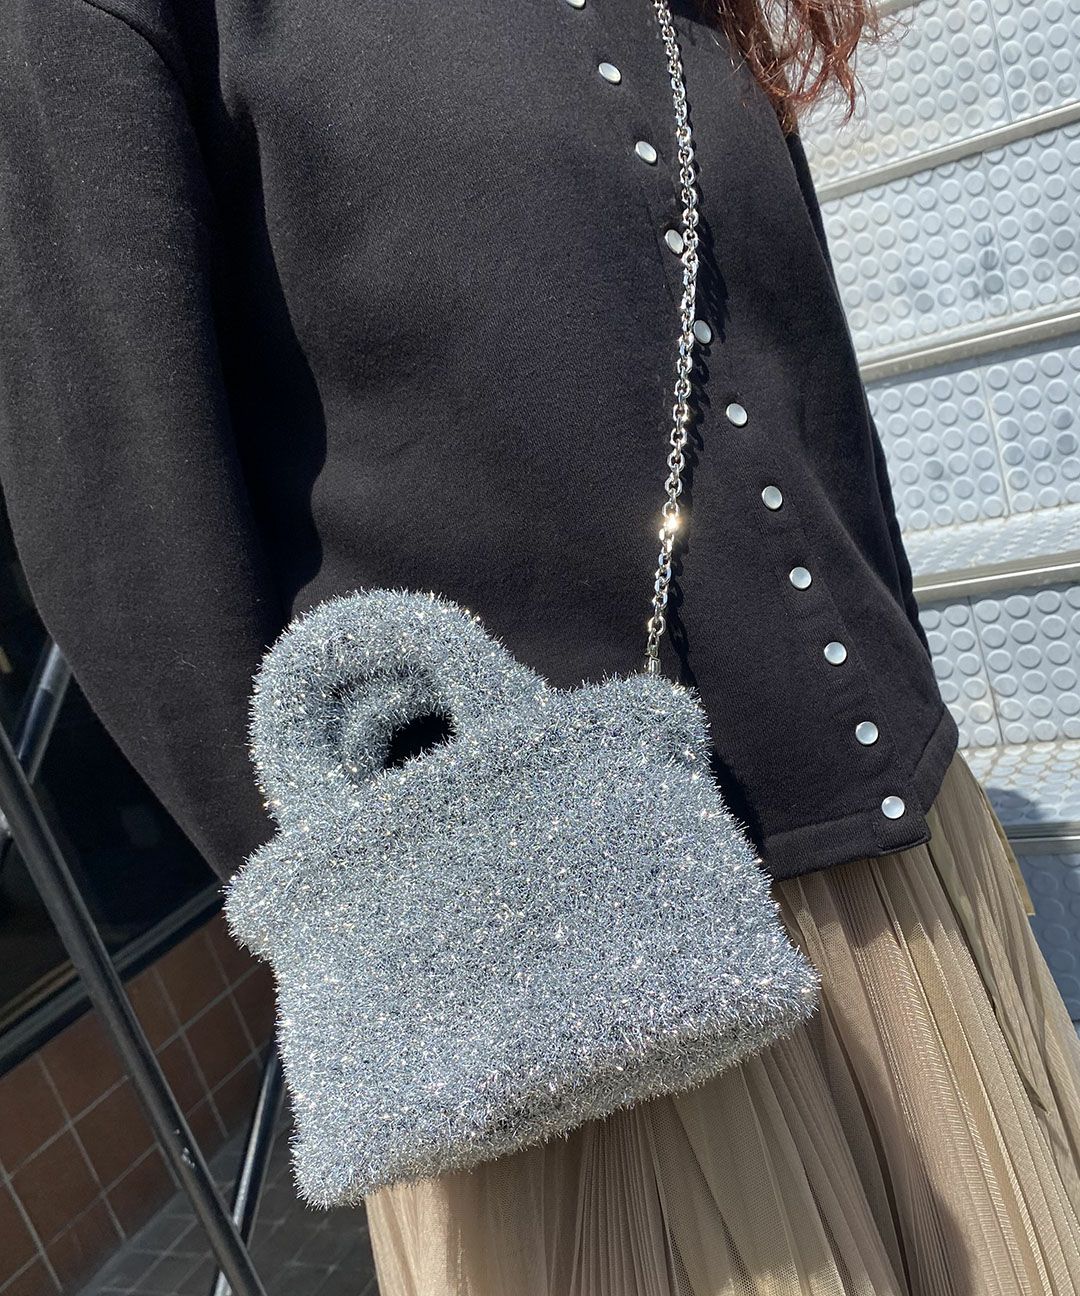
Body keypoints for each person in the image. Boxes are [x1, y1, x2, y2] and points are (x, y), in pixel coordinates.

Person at [1, 0, 1078, 1292]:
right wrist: (406, 935)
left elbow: (806, 386)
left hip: (905, 883)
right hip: (569, 994)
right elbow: (119, 518)